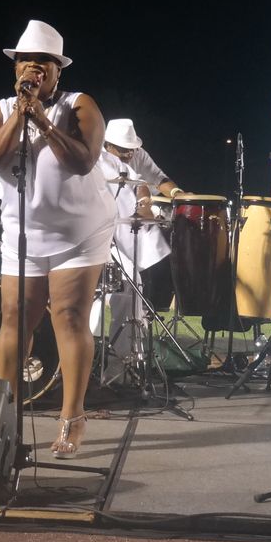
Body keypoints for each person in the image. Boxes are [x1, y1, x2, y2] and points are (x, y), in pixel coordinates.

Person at [0, 19, 114, 458]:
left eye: (44, 63)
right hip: (24, 232)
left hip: (80, 231)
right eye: (26, 61)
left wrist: (43, 120)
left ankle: (72, 417)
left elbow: (83, 162)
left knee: (70, 317)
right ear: (14, 68)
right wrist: (22, 114)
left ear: (59, 71)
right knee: (15, 318)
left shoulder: (79, 105)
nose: (33, 69)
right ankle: (5, 416)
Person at [95, 119, 181, 375]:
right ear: (108, 146)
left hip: (121, 237)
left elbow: (146, 181)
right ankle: (91, 354)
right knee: (93, 297)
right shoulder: (94, 159)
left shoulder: (134, 157)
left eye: (131, 150)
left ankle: (126, 357)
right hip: (92, 236)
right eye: (123, 150)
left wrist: (172, 195)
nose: (129, 155)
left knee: (131, 286)